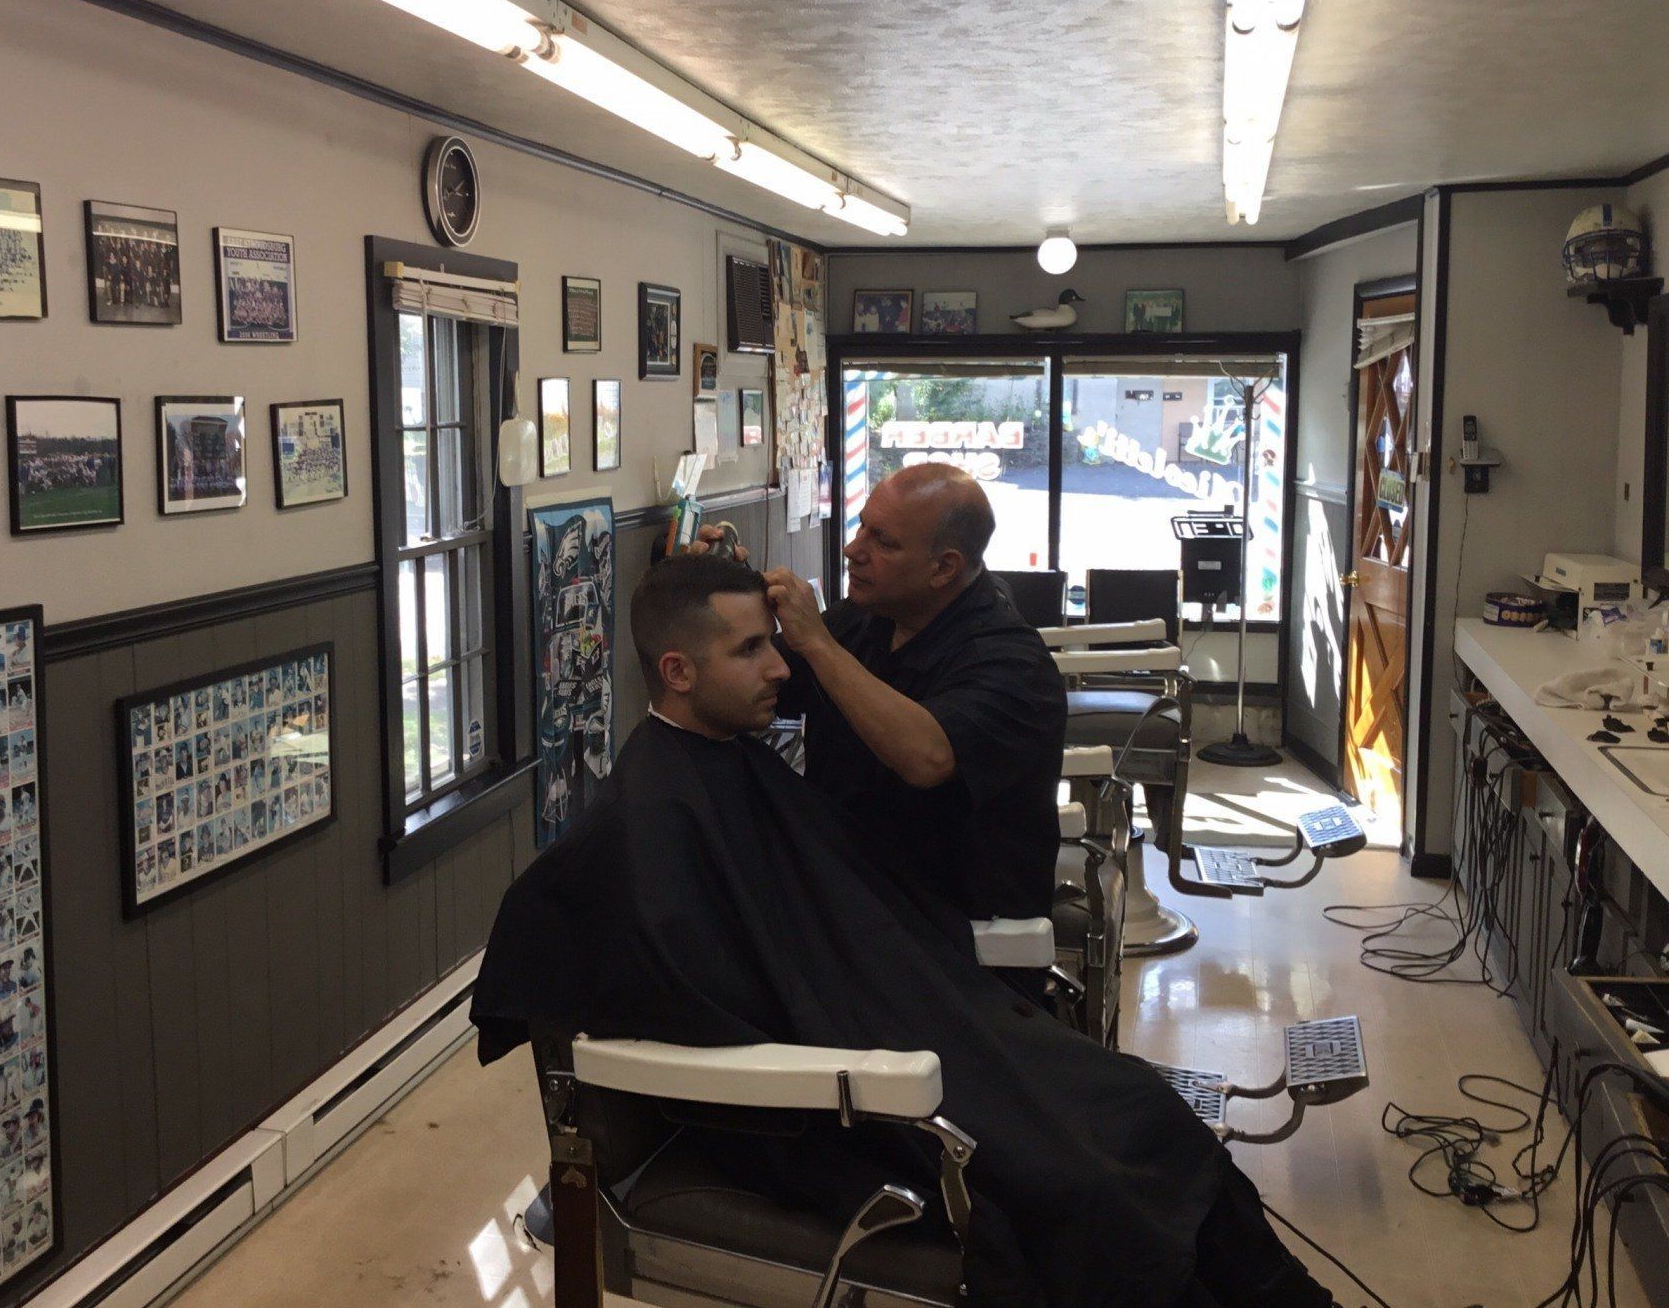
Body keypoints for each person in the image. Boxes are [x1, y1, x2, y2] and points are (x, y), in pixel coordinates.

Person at [472, 555, 1331, 1308]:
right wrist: (871, 1039)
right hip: (833, 1091)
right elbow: (708, 1006)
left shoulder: (747, 755)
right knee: (1089, 1184)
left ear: (945, 566)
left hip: (903, 1017)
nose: (782, 667)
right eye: (752, 649)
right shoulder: (644, 818)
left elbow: (853, 871)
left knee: (1146, 1110)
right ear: (678, 670)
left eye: (777, 642)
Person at [708, 462, 1067, 919]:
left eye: (883, 542)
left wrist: (817, 643)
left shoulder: (1016, 665)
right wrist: (710, 600)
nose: (852, 549)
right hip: (851, 893)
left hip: (951, 938)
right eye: (862, 527)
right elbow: (763, 682)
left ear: (944, 568)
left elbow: (927, 756)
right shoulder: (863, 620)